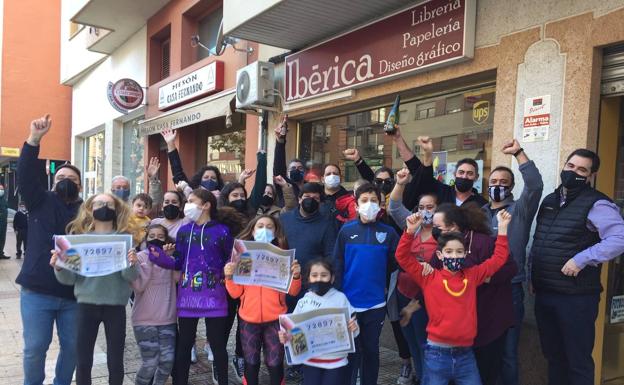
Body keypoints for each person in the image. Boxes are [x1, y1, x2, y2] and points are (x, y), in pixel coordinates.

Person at [530, 149, 624, 385]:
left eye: (582, 170)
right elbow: (540, 240)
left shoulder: (598, 203)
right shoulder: (550, 201)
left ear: (591, 175)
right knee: (553, 357)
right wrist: (534, 275)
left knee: (577, 361)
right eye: (570, 166)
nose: (573, 172)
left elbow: (619, 238)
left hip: (576, 298)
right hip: (545, 292)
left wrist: (582, 259)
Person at [395, 209, 511, 385]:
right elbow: (402, 257)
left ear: (465, 254)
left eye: (459, 252)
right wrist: (410, 231)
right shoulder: (429, 276)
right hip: (436, 354)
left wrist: (502, 229)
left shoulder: (472, 275)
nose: (454, 256)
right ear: (440, 255)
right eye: (449, 251)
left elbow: (498, 259)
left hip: (466, 355)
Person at [16, 114, 82, 385]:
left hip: (74, 293)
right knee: (34, 350)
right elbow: (25, 174)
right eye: (61, 176)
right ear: (54, 182)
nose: (66, 179)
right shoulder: (38, 201)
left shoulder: (87, 210)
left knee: (73, 349)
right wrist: (34, 140)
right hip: (37, 291)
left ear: (79, 185)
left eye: (72, 178)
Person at [51, 192, 139, 385]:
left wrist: (132, 263)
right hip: (85, 306)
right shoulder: (78, 241)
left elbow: (130, 277)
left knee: (115, 360)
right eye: (99, 203)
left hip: (115, 306)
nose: (104, 207)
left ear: (117, 210)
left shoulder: (124, 239)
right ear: (90, 209)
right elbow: (69, 278)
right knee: (83, 361)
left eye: (109, 204)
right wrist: (59, 266)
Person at [148, 188, 233, 385]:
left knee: (218, 345)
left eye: (191, 201)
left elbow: (231, 258)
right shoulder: (184, 232)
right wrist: (160, 257)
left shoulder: (222, 231)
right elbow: (178, 262)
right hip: (187, 296)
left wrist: (230, 270)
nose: (187, 205)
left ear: (206, 205)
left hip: (215, 296)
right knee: (184, 345)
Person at [482, 140, 543, 385]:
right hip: (482, 287)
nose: (497, 186)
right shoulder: (479, 212)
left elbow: (535, 185)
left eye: (503, 183)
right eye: (493, 182)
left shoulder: (520, 210)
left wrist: (518, 153)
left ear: (512, 187)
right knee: (486, 348)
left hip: (510, 290)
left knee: (508, 353)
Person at [333, 182, 399, 385]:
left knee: (371, 350)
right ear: (356, 203)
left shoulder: (388, 233)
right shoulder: (346, 231)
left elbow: (396, 262)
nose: (369, 204)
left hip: (376, 304)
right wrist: (337, 298)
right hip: (350, 303)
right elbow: (338, 264)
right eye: (364, 200)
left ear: (380, 205)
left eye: (374, 201)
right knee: (351, 351)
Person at [224, 215, 302, 385]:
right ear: (252, 230)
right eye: (260, 226)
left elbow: (294, 292)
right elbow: (235, 294)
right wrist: (229, 276)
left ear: (276, 231)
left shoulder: (283, 256)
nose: (264, 230)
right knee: (251, 363)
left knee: (275, 364)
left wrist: (296, 276)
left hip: (275, 319)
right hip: (248, 319)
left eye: (269, 226)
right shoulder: (243, 256)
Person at [387, 171, 438, 385]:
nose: (425, 212)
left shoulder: (443, 233)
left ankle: (429, 379)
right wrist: (400, 183)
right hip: (403, 293)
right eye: (421, 207)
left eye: (430, 207)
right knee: (411, 342)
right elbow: (394, 207)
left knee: (426, 343)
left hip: (425, 300)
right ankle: (420, 376)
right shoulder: (413, 227)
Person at [278, 259, 359, 385]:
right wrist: (285, 337)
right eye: (314, 275)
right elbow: (292, 329)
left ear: (332, 278)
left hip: (336, 361)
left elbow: (353, 330)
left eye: (324, 275)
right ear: (309, 278)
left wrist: (354, 328)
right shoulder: (304, 301)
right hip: (310, 361)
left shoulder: (341, 299)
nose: (319, 279)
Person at [131, 224, 178, 385]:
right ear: (146, 239)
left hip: (167, 319)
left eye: (160, 236)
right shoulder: (139, 257)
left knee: (167, 361)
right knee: (150, 362)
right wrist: (153, 260)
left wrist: (168, 260)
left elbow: (179, 280)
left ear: (167, 239)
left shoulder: (170, 258)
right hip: (144, 320)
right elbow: (138, 287)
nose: (156, 239)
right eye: (152, 236)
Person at [409, 136, 488, 207]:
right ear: (454, 174)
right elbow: (425, 177)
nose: (464, 176)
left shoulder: (482, 205)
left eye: (470, 173)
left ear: (476, 177)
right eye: (461, 172)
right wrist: (428, 154)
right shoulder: (441, 191)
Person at [0, 184, 7, 259]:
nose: (1, 191)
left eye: (2, 189)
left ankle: (1, 253)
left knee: (2, 238)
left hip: (3, 222)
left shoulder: (3, 199)